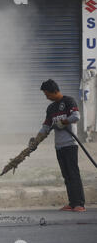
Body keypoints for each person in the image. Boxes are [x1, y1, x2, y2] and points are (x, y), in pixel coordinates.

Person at [29, 79, 86, 212]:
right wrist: (36, 141)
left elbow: (76, 116)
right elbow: (46, 127)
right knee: (66, 175)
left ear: (54, 91)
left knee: (73, 174)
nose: (46, 97)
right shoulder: (51, 108)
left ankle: (79, 204)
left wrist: (64, 121)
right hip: (59, 146)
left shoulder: (68, 101)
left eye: (47, 94)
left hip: (70, 145)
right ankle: (72, 203)